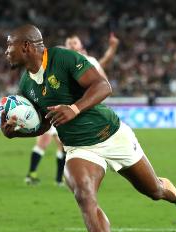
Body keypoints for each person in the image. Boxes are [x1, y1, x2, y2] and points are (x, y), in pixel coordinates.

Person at [1, 24, 176, 232]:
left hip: (112, 134)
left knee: (154, 190)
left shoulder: (63, 58)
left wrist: (74, 108)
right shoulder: (26, 84)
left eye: (9, 45)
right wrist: (15, 133)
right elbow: (44, 124)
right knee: (84, 196)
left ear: (26, 46)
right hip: (79, 148)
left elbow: (103, 86)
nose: (6, 51)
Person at [25, 33, 119, 186]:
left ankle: (59, 178)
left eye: (75, 42)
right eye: (69, 44)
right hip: (54, 107)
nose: (72, 45)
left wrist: (113, 47)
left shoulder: (89, 62)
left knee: (64, 145)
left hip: (75, 111)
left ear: (81, 45)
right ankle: (33, 174)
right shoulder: (61, 61)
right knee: (44, 141)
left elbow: (103, 79)